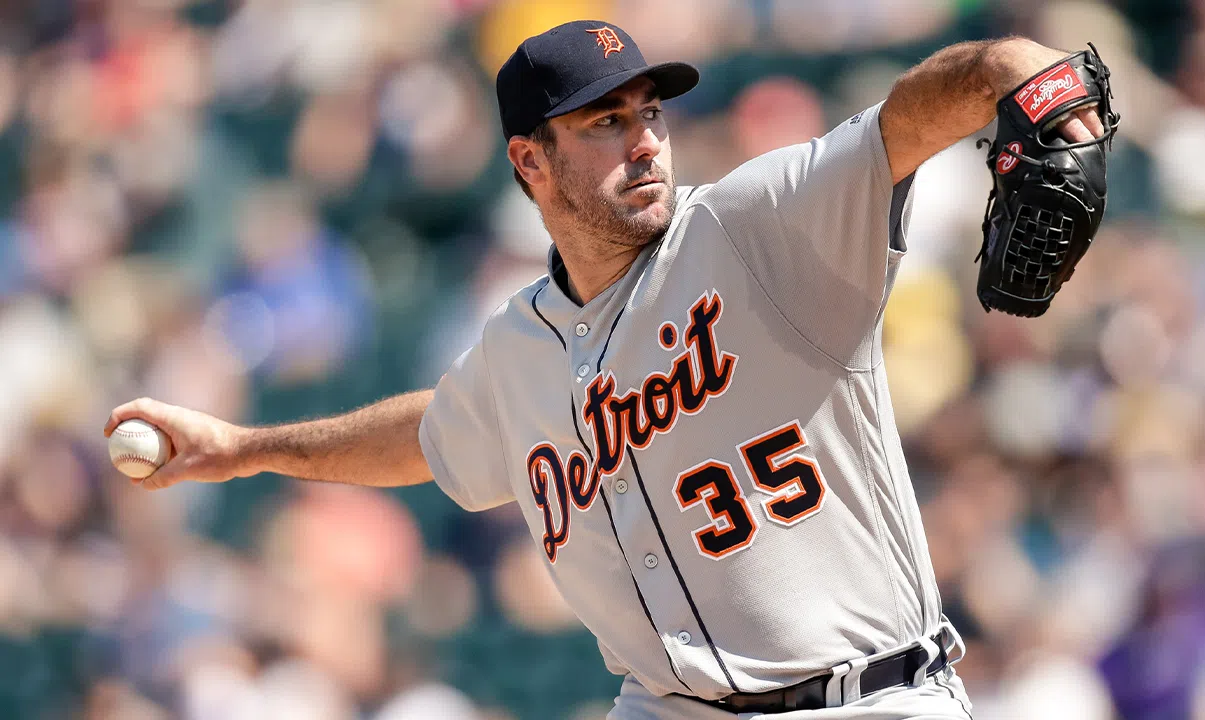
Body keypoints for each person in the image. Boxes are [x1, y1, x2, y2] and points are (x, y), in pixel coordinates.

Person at [106, 20, 1105, 719]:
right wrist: (244, 449)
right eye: (604, 123)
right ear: (529, 163)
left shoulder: (755, 226)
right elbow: (431, 434)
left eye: (648, 113)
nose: (645, 142)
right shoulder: (519, 348)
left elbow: (911, 118)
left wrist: (1020, 73)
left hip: (867, 698)